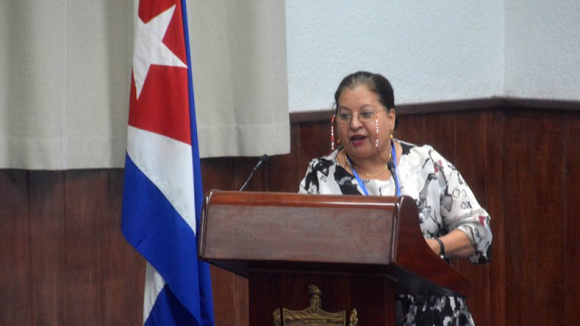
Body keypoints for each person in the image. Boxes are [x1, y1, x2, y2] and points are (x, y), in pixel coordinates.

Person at [299, 71, 492, 326]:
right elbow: (301, 247)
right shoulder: (320, 176)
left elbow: (480, 229)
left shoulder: (426, 163)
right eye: (344, 116)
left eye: (366, 114)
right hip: (358, 313)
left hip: (437, 316)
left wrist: (435, 248)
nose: (354, 124)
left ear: (390, 118)